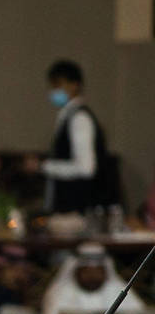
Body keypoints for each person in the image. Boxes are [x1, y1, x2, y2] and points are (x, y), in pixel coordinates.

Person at [23, 59, 118, 216]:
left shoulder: (79, 118)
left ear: (75, 85)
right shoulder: (68, 116)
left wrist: (43, 166)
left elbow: (86, 168)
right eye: (52, 86)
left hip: (78, 209)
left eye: (58, 85)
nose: (54, 91)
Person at [39, 242, 145, 314]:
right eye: (87, 271)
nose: (93, 276)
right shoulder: (59, 294)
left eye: (98, 271)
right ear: (76, 271)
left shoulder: (119, 291)